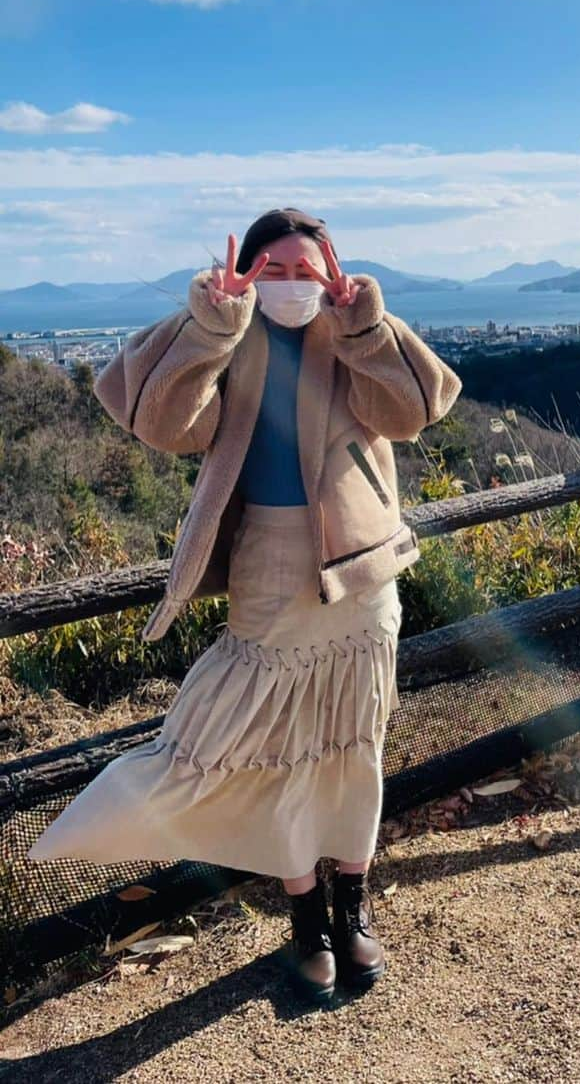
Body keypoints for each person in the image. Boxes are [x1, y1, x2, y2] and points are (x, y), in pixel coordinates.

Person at [26, 207, 462, 1004]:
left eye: (308, 270)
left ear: (334, 273)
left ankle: (350, 908)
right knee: (269, 745)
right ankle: (304, 915)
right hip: (268, 565)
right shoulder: (234, 335)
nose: (294, 286)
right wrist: (212, 322)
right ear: (251, 274)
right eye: (278, 272)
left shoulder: (352, 332)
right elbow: (159, 422)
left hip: (361, 581)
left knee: (354, 744)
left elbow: (418, 408)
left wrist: (365, 323)